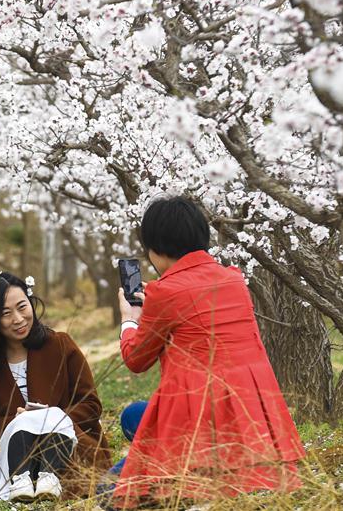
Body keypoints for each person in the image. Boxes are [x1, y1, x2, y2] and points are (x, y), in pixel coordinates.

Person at [113, 196, 305, 506]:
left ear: (157, 247)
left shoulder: (165, 291)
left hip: (198, 423)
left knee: (117, 476)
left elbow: (136, 359)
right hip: (251, 417)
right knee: (136, 415)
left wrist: (129, 321)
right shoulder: (234, 280)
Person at [0, 272, 112, 502]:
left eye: (22, 306)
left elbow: (91, 405)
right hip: (14, 457)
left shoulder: (60, 345)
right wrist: (19, 421)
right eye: (6, 313)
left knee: (50, 417)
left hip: (70, 447)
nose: (18, 318)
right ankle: (22, 482)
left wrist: (51, 417)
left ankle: (51, 479)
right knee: (25, 423)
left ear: (31, 303)